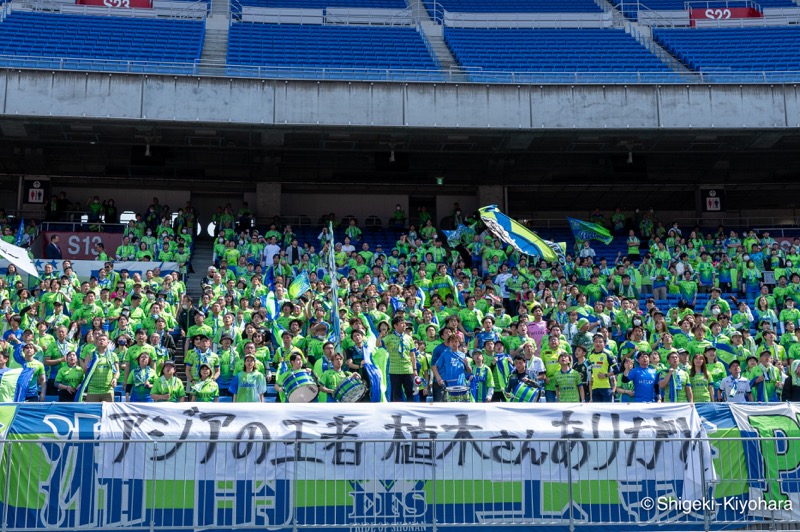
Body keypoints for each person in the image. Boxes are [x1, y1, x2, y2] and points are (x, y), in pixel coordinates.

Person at [383, 315, 418, 402]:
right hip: (394, 369)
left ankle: (410, 411)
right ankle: (397, 413)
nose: (404, 325)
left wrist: (415, 369)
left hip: (408, 369)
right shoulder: (389, 337)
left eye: (405, 323)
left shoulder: (409, 338)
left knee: (410, 392)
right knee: (396, 393)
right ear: (395, 326)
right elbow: (378, 345)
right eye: (402, 323)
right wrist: (380, 336)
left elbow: (412, 354)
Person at [80, 333, 119, 403]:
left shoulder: (113, 355)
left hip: (108, 389)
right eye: (100, 340)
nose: (101, 341)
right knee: (92, 412)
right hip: (93, 389)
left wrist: (115, 379)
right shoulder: (91, 354)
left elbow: (117, 371)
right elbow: (85, 370)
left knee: (108, 412)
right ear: (96, 342)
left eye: (104, 340)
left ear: (108, 342)